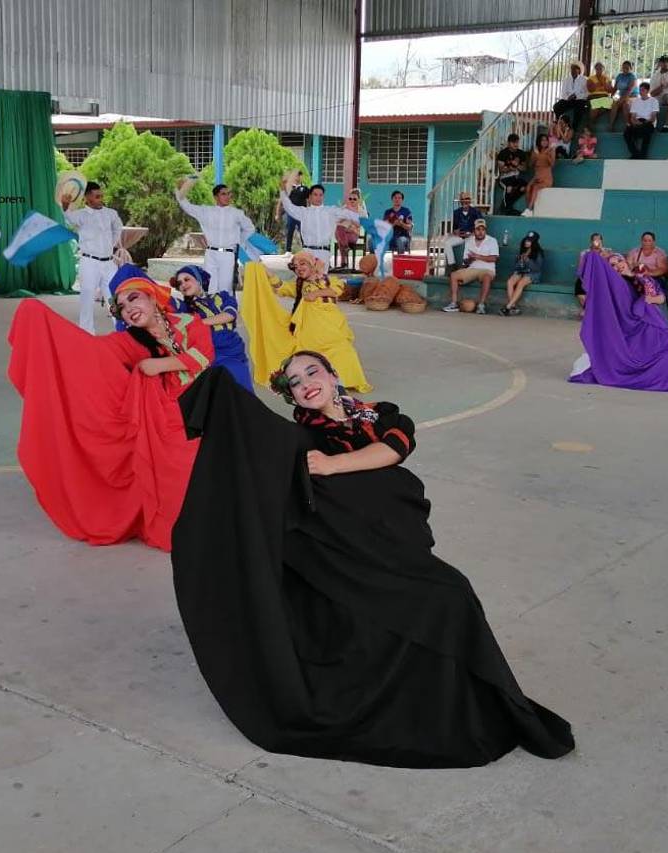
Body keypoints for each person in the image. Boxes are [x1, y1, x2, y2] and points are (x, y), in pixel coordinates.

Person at [170, 358, 576, 768]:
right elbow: (256, 441)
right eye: (294, 382)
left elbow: (395, 447)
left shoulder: (379, 414)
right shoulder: (299, 436)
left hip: (391, 539)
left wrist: (333, 464)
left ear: (333, 376)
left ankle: (459, 699)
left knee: (449, 595)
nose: (306, 383)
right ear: (290, 396)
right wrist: (224, 398)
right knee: (443, 599)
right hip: (346, 551)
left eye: (312, 372)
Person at [5, 264, 212, 550]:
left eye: (134, 298)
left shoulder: (190, 323)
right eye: (121, 306)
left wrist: (156, 364)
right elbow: (87, 352)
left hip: (208, 404)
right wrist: (40, 323)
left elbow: (204, 356)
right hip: (170, 420)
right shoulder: (128, 341)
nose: (128, 308)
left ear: (153, 297)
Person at [569, 251, 668, 393]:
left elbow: (660, 297)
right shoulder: (612, 287)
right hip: (630, 333)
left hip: (646, 326)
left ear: (625, 261)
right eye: (612, 265)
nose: (618, 266)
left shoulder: (638, 275)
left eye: (619, 261)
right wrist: (595, 255)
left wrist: (635, 279)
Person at [245, 254, 371, 392]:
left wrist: (316, 293)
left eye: (302, 263)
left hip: (331, 328)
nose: (298, 268)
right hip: (308, 331)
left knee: (343, 352)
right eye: (295, 266)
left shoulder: (329, 280)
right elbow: (282, 288)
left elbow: (336, 290)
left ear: (313, 264)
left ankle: (346, 380)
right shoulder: (299, 285)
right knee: (308, 355)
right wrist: (268, 273)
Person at [173, 264, 251, 392]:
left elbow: (229, 315)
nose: (183, 285)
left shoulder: (222, 296)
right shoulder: (183, 307)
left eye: (187, 279)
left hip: (232, 349)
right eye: (179, 283)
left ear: (199, 280)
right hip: (207, 354)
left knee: (241, 391)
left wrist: (196, 323)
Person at [175, 177, 258, 295]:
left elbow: (250, 228)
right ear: (216, 197)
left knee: (225, 288)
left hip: (228, 254)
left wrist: (237, 241)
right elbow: (186, 205)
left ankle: (227, 311)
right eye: (223, 194)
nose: (227, 196)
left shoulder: (236, 213)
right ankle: (212, 311)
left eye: (229, 194)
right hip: (210, 253)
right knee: (209, 286)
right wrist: (180, 190)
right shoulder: (206, 211)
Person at [60, 180, 122, 334]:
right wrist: (65, 206)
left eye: (101, 195)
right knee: (87, 298)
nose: (100, 199)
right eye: (96, 196)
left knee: (115, 297)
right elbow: (68, 219)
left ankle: (121, 331)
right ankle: (87, 333)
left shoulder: (111, 213)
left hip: (109, 262)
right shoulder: (81, 215)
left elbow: (117, 228)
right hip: (89, 262)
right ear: (87, 197)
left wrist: (111, 245)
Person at [278, 175, 355, 263]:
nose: (318, 197)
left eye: (320, 195)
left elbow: (350, 214)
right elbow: (289, 207)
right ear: (310, 197)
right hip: (308, 253)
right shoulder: (303, 212)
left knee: (322, 276)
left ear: (323, 197)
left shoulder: (331, 211)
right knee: (308, 276)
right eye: (315, 195)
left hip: (324, 253)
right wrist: (283, 191)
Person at [444, 219, 499, 314]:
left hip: (487, 269)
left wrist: (477, 256)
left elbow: (494, 258)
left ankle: (481, 305)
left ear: (485, 230)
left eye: (483, 229)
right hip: (472, 268)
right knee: (454, 275)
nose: (481, 232)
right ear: (474, 230)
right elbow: (466, 262)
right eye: (478, 229)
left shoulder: (492, 240)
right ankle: (454, 303)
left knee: (487, 277)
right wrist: (470, 259)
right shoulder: (469, 241)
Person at [502, 231, 543, 316]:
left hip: (533, 274)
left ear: (534, 242)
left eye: (529, 241)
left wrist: (528, 261)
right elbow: (516, 266)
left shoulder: (538, 253)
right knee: (510, 282)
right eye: (526, 240)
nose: (527, 242)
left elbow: (537, 268)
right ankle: (513, 307)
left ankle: (508, 307)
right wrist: (519, 263)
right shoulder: (522, 251)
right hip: (521, 272)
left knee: (521, 283)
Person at [574, 232, 609, 319]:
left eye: (599, 239)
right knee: (580, 292)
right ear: (591, 241)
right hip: (586, 277)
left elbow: (609, 267)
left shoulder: (606, 252)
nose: (597, 241)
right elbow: (580, 268)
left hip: (601, 278)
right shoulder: (584, 253)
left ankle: (587, 312)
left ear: (602, 241)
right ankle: (591, 311)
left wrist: (601, 251)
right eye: (595, 239)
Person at [442, 191, 480, 269]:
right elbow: (454, 227)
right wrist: (455, 231)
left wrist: (473, 233)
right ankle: (452, 266)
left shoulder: (475, 212)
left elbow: (480, 225)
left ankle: (465, 265)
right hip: (460, 236)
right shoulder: (456, 212)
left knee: (469, 243)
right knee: (447, 243)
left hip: (471, 235)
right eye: (462, 199)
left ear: (469, 200)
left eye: (467, 199)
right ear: (460, 201)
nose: (465, 201)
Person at [495, 134, 529, 214]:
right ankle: (507, 208)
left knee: (524, 187)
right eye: (513, 142)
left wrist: (517, 165)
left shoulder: (521, 153)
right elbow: (501, 169)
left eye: (517, 142)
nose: (516, 144)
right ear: (509, 143)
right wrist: (510, 168)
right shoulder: (503, 153)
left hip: (515, 178)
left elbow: (524, 168)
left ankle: (507, 207)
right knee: (509, 188)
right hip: (505, 178)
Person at [522, 134, 556, 216]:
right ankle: (529, 209)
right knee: (528, 188)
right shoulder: (535, 151)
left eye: (546, 140)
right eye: (542, 140)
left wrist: (546, 153)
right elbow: (530, 164)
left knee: (535, 187)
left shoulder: (551, 150)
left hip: (546, 177)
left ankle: (529, 209)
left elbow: (552, 163)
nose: (544, 142)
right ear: (539, 142)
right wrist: (535, 156)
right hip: (536, 176)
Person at [624, 82, 658, 159]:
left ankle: (643, 154)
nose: (641, 92)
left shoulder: (654, 101)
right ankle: (635, 153)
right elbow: (633, 117)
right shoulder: (635, 101)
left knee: (647, 131)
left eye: (643, 90)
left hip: (648, 122)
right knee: (627, 133)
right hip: (637, 122)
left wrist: (644, 123)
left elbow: (653, 117)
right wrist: (636, 122)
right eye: (640, 90)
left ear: (648, 91)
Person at [333, 188, 365, 269]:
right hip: (343, 232)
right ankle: (345, 261)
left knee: (340, 237)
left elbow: (360, 225)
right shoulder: (345, 208)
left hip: (353, 234)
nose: (352, 201)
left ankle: (344, 263)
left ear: (358, 200)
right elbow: (337, 221)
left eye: (354, 199)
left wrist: (351, 220)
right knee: (339, 229)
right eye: (350, 199)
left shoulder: (361, 211)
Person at [281, 170, 309, 252]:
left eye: (299, 176)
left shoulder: (304, 188)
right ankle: (288, 251)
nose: (297, 178)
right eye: (296, 176)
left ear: (301, 177)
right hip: (291, 214)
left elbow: (309, 200)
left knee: (302, 232)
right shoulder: (290, 188)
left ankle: (306, 249)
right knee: (289, 231)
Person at [381, 190, 413, 255]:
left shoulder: (406, 211)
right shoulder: (388, 212)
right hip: (389, 237)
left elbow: (409, 227)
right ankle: (375, 262)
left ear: (402, 200)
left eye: (399, 198)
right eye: (395, 198)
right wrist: (393, 224)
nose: (397, 199)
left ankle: (400, 263)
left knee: (400, 241)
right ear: (392, 199)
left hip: (403, 237)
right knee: (372, 241)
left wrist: (401, 224)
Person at [610, 60, 638, 129]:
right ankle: (611, 125)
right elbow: (615, 88)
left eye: (627, 68)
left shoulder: (632, 76)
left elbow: (629, 90)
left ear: (631, 69)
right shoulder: (619, 76)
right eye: (623, 68)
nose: (625, 70)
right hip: (621, 96)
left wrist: (621, 100)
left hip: (632, 96)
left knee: (625, 104)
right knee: (614, 104)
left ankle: (627, 124)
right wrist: (611, 96)